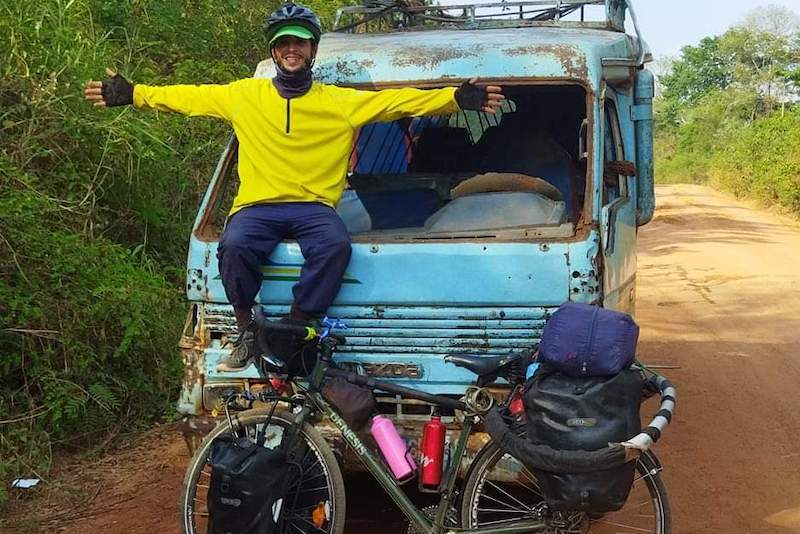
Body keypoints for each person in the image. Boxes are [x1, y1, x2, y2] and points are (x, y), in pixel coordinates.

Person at [84, 3, 505, 372]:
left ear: (312, 51)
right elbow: (189, 97)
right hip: (259, 205)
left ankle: (300, 323)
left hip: (313, 207)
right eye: (284, 42)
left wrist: (453, 98)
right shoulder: (244, 95)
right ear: (273, 50)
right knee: (234, 245)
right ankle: (247, 329)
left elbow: (398, 102)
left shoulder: (338, 101)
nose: (292, 49)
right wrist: (135, 93)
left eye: (300, 43)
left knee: (334, 246)